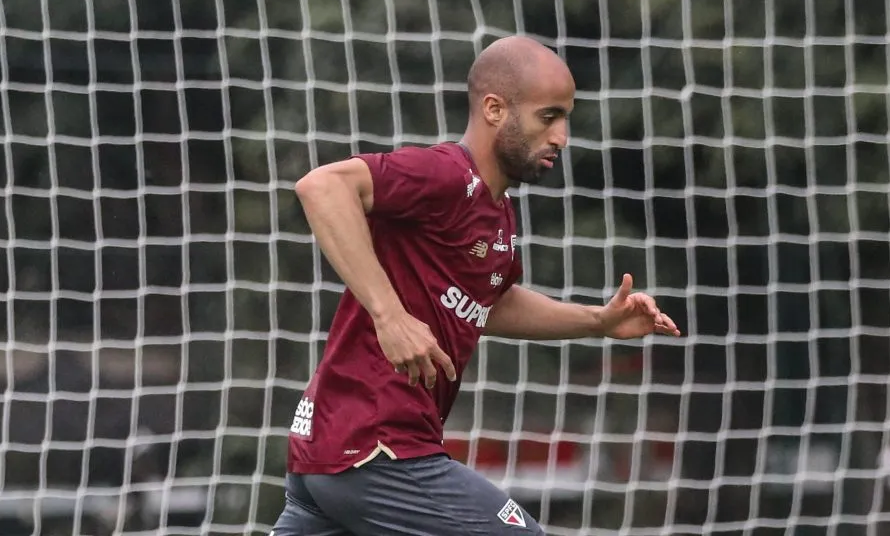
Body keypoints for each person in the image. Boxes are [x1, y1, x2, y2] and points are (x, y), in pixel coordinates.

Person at [269, 35, 680, 535]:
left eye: (566, 119)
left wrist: (598, 321)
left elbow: (491, 304)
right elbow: (322, 186)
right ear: (494, 109)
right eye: (548, 117)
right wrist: (389, 316)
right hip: (377, 448)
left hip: (331, 456)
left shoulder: (498, 214)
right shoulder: (446, 174)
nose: (561, 137)